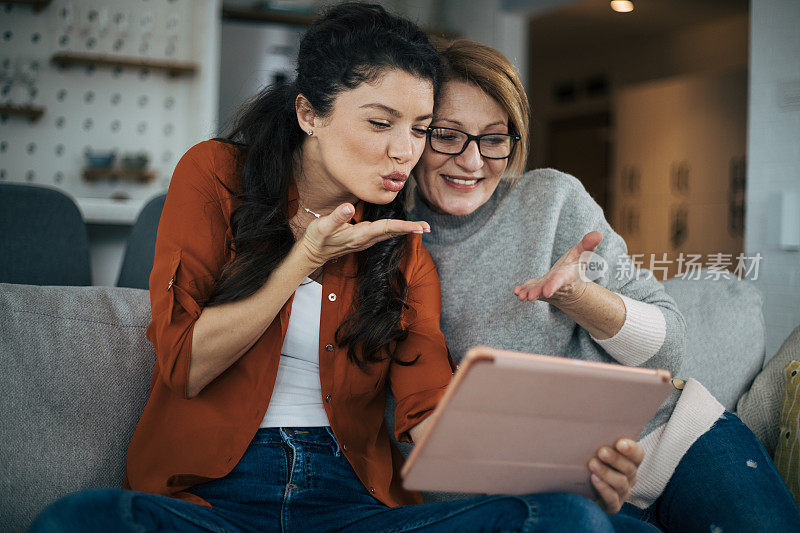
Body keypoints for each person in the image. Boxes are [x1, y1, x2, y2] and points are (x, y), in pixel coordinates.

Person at [29, 5, 655, 532]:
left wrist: (570, 465)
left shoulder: (403, 246)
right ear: (309, 113)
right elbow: (185, 366)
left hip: (351, 507)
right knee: (81, 519)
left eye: (418, 129)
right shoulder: (215, 175)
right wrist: (303, 259)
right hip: (211, 501)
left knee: (569, 519)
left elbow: (426, 414)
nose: (403, 151)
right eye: (381, 123)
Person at [404, 37, 800, 532]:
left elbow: (670, 350)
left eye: (494, 138)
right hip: (560, 495)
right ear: (415, 132)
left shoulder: (551, 199)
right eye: (448, 134)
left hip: (671, 444)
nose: (473, 161)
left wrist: (580, 297)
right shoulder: (389, 244)